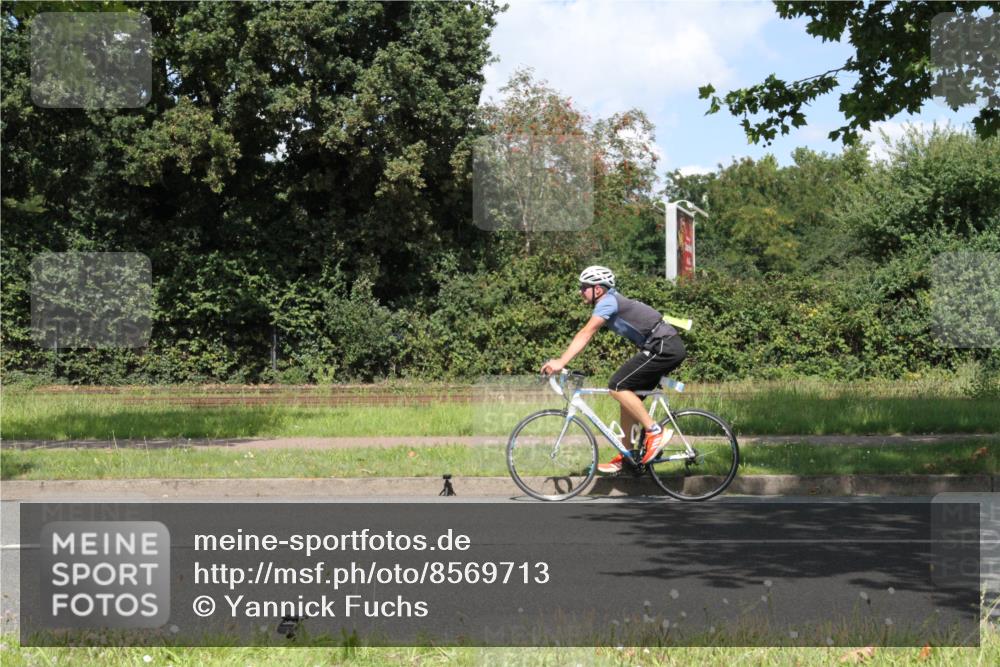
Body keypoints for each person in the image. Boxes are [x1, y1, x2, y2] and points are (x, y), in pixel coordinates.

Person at [540, 265, 686, 473]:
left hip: (664, 346)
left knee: (616, 385)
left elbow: (586, 333)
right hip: (662, 346)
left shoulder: (607, 302)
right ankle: (627, 455)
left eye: (584, 287)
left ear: (597, 289)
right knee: (626, 397)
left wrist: (561, 362)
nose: (581, 291)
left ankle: (655, 431)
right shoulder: (611, 300)